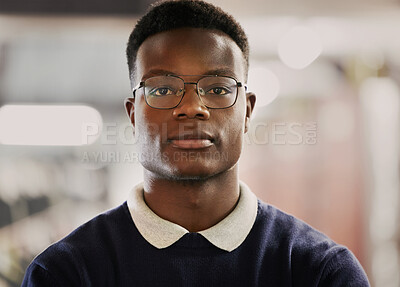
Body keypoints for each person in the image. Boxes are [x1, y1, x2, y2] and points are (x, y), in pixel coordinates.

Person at [22, 0, 370, 286]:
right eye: (162, 89)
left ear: (247, 112)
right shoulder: (65, 274)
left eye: (218, 88)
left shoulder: (321, 272)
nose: (191, 108)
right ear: (133, 116)